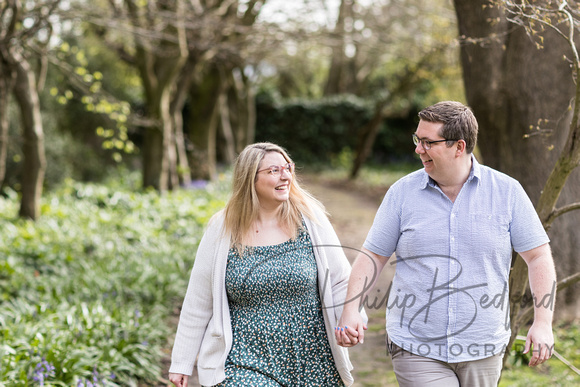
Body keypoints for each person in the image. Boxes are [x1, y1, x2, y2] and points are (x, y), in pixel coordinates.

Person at [335, 101, 557, 386]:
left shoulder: (507, 192)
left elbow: (538, 257)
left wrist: (543, 323)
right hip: (415, 345)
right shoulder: (402, 194)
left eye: (428, 142)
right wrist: (351, 308)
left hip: (484, 346)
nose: (418, 149)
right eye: (418, 139)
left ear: (459, 147)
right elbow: (373, 256)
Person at [169, 142, 362, 387]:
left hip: (312, 357)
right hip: (245, 359)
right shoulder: (222, 228)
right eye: (273, 171)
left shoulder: (310, 219)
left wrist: (351, 318)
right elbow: (198, 299)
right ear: (250, 179)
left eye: (287, 167)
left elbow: (340, 279)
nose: (285, 176)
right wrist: (181, 362)